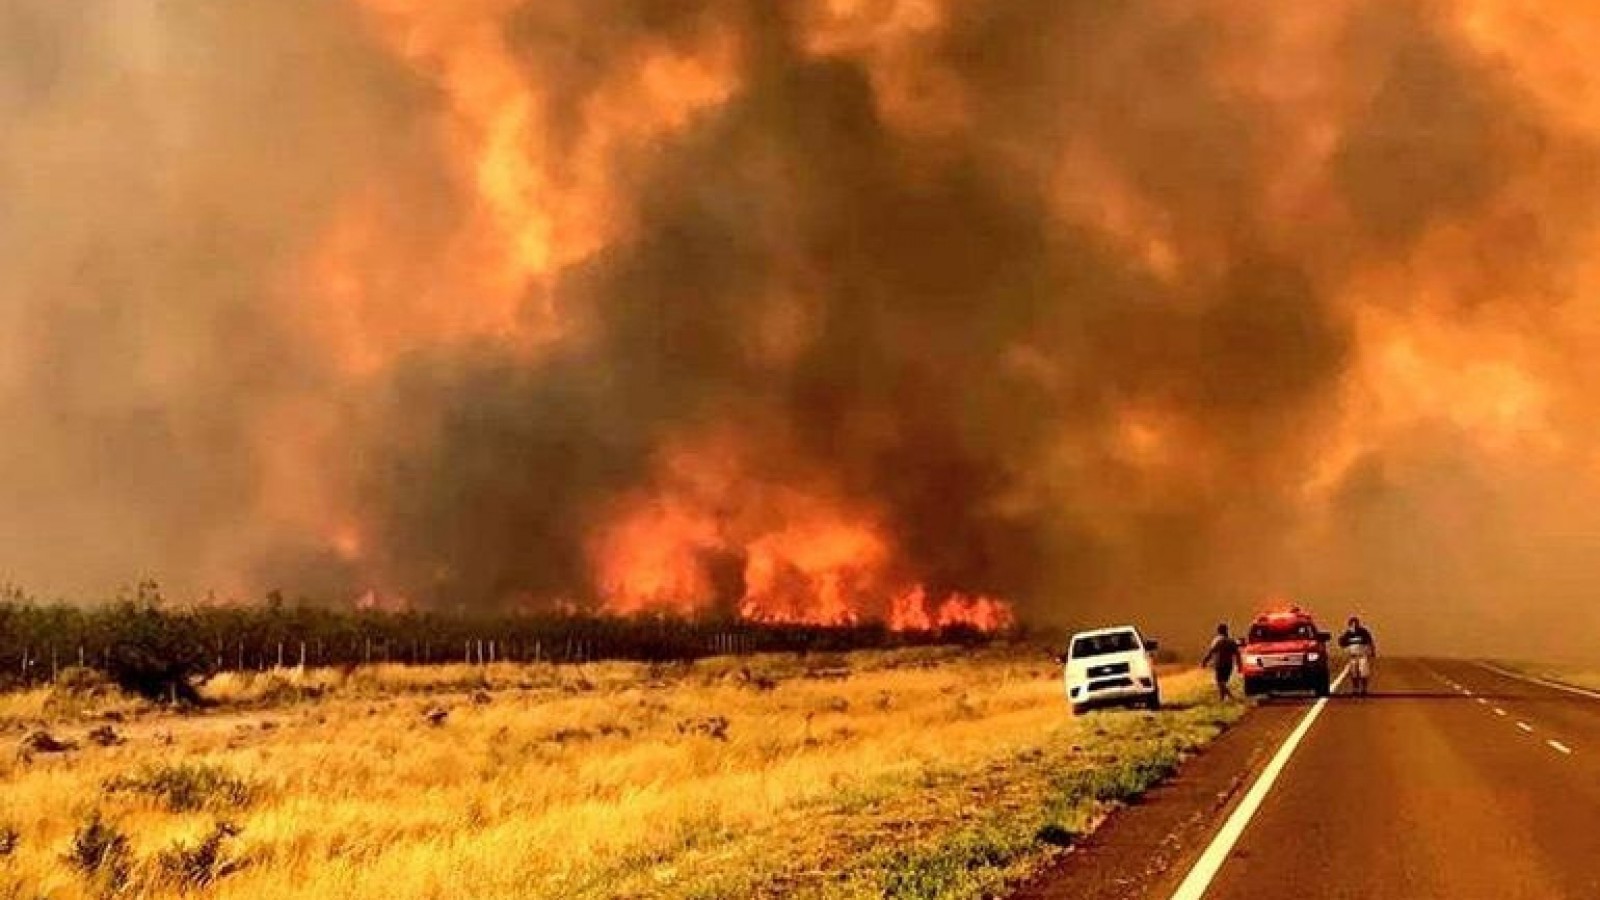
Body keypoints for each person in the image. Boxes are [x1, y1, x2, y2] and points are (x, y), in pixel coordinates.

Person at [1200, 623, 1244, 701]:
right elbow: (1237, 655)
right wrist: (1239, 666)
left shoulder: (1218, 641)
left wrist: (1204, 661)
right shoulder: (1231, 641)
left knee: (1220, 683)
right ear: (1227, 631)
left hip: (1220, 664)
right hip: (1229, 665)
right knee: (1223, 682)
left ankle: (1231, 697)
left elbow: (1211, 652)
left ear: (1219, 631)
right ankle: (1222, 699)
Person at [1338, 616, 1377, 696]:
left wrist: (1372, 651)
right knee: (1354, 673)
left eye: (1355, 624)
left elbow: (1370, 641)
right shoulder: (1348, 634)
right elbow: (1342, 643)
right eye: (1352, 624)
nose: (1354, 626)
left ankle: (1363, 689)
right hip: (1353, 656)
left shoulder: (1363, 632)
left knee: (1363, 673)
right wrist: (1342, 639)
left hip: (1362, 655)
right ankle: (1355, 689)